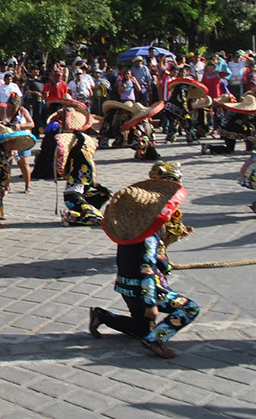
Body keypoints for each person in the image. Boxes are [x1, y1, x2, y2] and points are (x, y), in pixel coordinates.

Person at [89, 175, 199, 359]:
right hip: (146, 289)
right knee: (190, 308)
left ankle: (103, 316)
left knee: (142, 328)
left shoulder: (129, 230)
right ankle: (155, 340)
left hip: (126, 286)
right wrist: (151, 304)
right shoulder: (148, 237)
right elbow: (146, 269)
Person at [58, 132, 110, 227]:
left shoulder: (83, 160)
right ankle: (70, 216)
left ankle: (85, 211)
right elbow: (80, 140)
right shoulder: (76, 156)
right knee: (99, 219)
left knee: (104, 194)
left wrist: (106, 191)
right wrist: (76, 131)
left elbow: (91, 183)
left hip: (78, 195)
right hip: (73, 198)